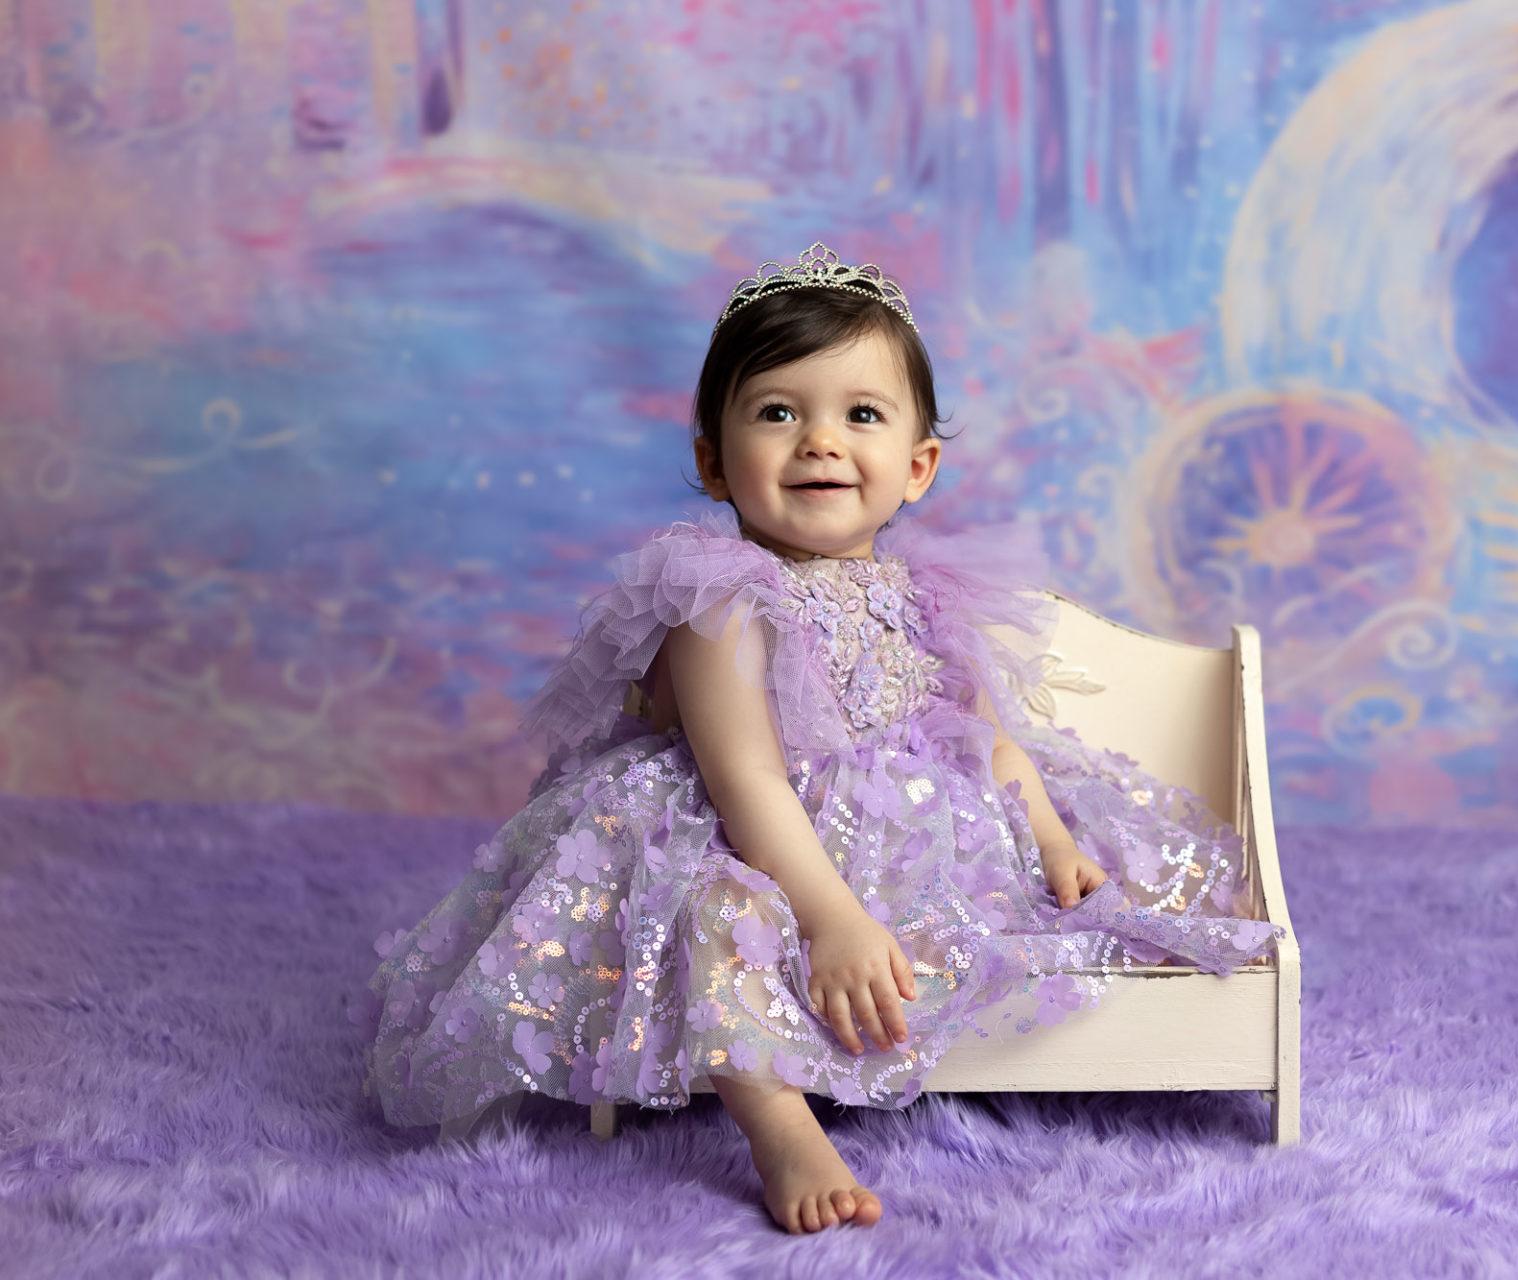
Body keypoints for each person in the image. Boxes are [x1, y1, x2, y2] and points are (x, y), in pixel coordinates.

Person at [355, 242, 1277, 1235]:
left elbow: (986, 734)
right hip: (757, 837)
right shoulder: (720, 598)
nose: (820, 442)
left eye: (861, 414)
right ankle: (778, 1119)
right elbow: (747, 780)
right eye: (778, 412)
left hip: (910, 835)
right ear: (714, 458)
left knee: (1114, 875)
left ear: (918, 465)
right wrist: (831, 919)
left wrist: (1049, 833)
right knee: (712, 914)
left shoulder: (929, 595)